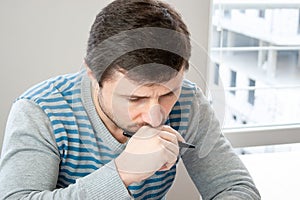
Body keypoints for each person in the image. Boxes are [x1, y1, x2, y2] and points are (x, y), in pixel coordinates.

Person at [0, 0, 260, 199]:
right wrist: (123, 172)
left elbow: (237, 188)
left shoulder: (189, 103)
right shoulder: (40, 111)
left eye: (168, 93)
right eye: (136, 98)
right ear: (93, 74)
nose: (154, 115)